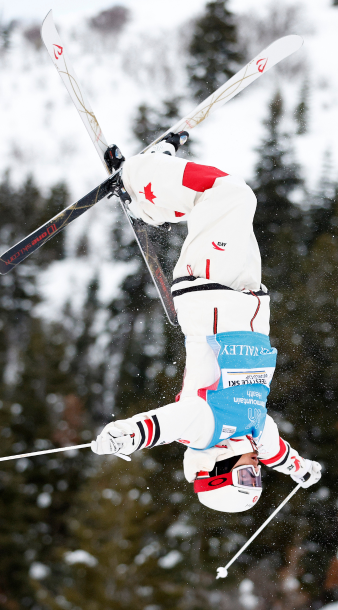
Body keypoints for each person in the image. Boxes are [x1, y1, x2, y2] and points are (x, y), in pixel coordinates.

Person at [89, 135, 322, 512]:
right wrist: (299, 469)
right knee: (231, 206)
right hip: (248, 297)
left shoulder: (206, 428)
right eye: (257, 479)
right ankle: (156, 194)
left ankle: (135, 179)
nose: (255, 472)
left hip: (210, 291)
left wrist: (125, 435)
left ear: (218, 472)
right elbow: (279, 453)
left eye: (246, 479)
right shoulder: (256, 435)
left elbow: (161, 426)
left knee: (230, 194)